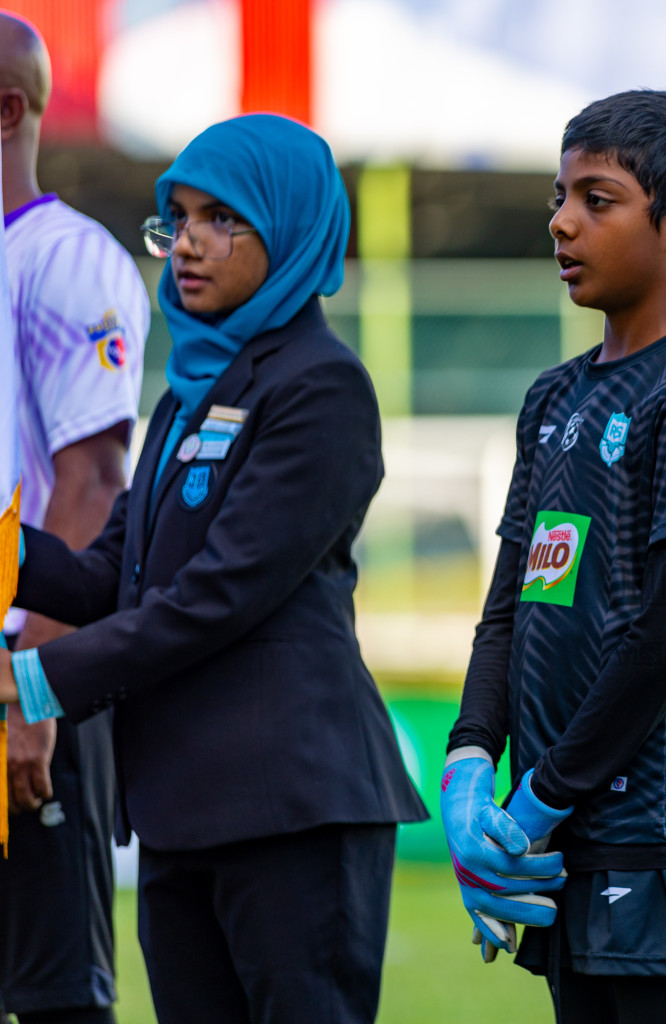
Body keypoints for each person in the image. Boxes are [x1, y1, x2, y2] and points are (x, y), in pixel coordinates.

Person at [0, 113, 427, 1024]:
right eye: (177, 218)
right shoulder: (192, 390)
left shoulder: (322, 385)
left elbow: (217, 595)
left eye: (220, 219)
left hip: (291, 808)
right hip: (179, 811)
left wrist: (32, 680)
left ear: (292, 226)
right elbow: (106, 572)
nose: (185, 244)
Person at [441, 90, 666, 1024]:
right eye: (558, 196)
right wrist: (469, 760)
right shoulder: (552, 399)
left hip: (640, 824)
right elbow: (508, 605)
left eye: (596, 198)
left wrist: (538, 798)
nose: (561, 221)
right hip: (550, 817)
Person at [0, 14, 147, 1024]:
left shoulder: (68, 260)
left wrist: (34, 694)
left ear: (8, 111)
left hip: (21, 682)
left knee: (56, 998)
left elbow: (91, 481)